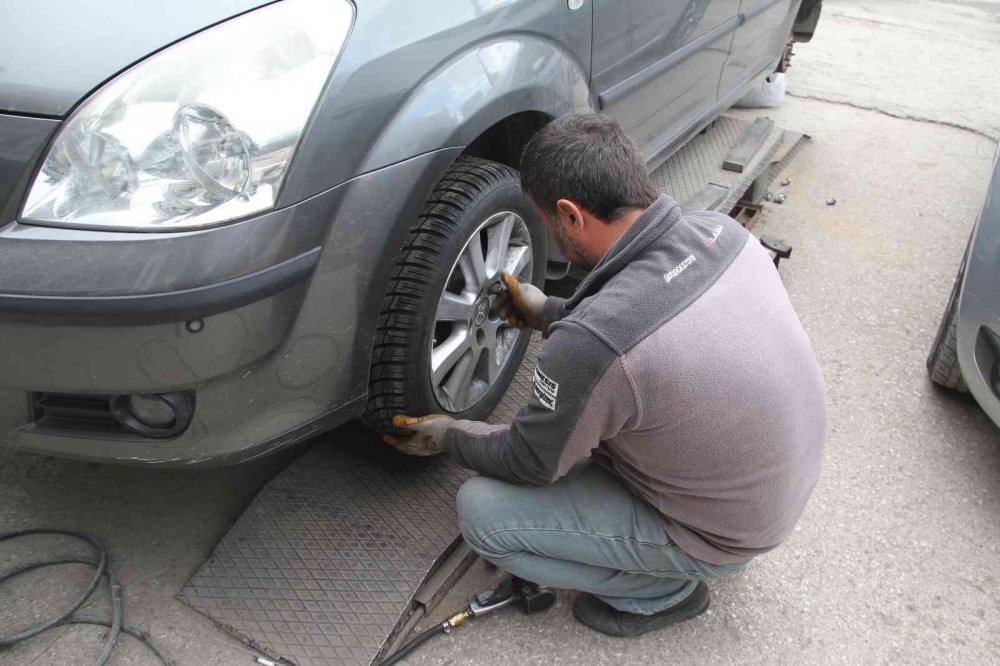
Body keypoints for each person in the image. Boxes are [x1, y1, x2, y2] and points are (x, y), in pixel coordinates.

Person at [385, 113, 826, 637]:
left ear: (570, 215)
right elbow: (641, 305)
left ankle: (664, 591)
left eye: (546, 222)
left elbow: (529, 462)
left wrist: (448, 435)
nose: (549, 234)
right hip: (768, 488)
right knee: (606, 408)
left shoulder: (594, 347)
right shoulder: (722, 234)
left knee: (483, 514)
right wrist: (550, 312)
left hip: (722, 533)